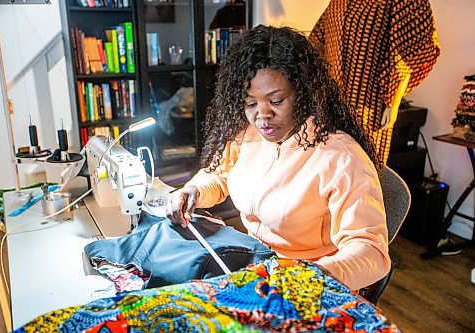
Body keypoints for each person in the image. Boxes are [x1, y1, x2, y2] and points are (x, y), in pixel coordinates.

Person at [166, 25, 390, 291]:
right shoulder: (248, 134)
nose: (262, 115)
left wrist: (313, 277)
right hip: (256, 266)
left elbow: (370, 251)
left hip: (309, 285)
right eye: (250, 103)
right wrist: (193, 190)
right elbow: (220, 174)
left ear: (304, 93)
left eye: (276, 101)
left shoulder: (341, 157)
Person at [308, 0, 440, 164]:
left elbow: (413, 50)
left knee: (361, 168)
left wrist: (394, 100)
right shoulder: (339, 2)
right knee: (328, 168)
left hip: (368, 105)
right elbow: (317, 43)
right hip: (331, 105)